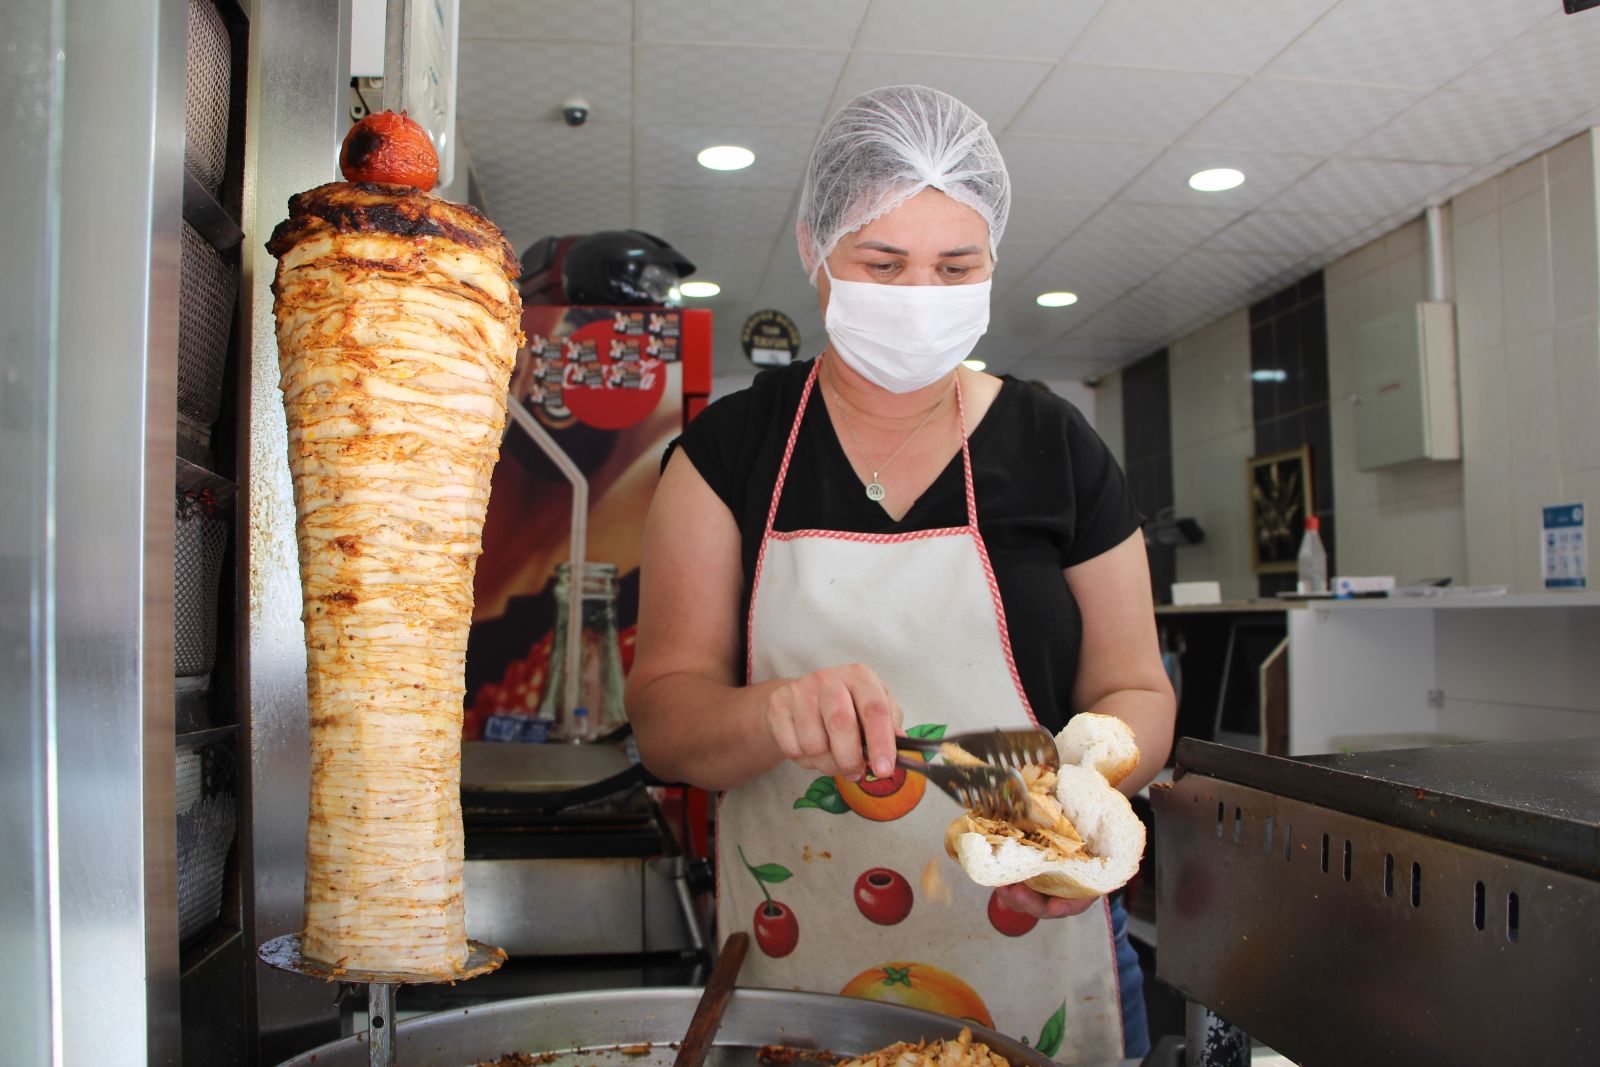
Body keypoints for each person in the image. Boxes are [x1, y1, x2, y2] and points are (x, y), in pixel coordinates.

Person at [625, 85, 1175, 1061]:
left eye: (956, 266)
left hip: (1036, 947)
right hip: (801, 951)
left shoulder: (1057, 447)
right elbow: (666, 718)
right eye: (882, 263)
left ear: (993, 260)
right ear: (814, 249)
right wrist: (771, 713)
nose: (920, 294)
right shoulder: (726, 452)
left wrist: (1082, 797)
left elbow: (1135, 682)